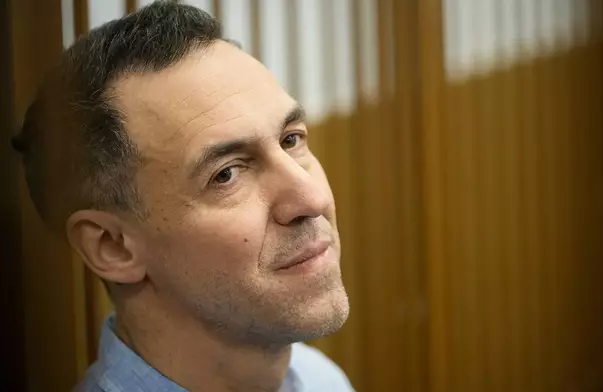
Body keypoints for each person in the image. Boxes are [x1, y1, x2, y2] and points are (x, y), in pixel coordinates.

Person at [11, 1, 352, 391]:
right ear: (113, 246)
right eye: (226, 174)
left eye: (291, 140)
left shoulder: (317, 378)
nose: (311, 198)